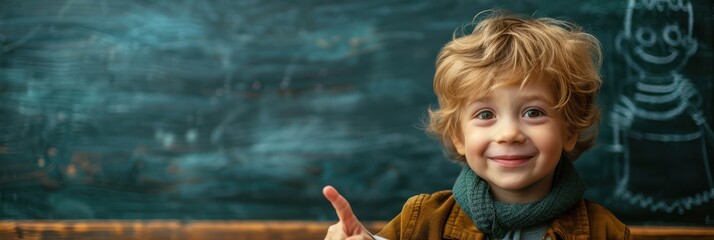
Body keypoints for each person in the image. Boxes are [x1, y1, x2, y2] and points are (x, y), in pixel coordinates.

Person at [323, 10, 631, 240]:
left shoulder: (605, 232)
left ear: (570, 130)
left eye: (534, 112)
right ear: (458, 136)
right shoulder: (421, 222)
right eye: (486, 115)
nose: (509, 133)